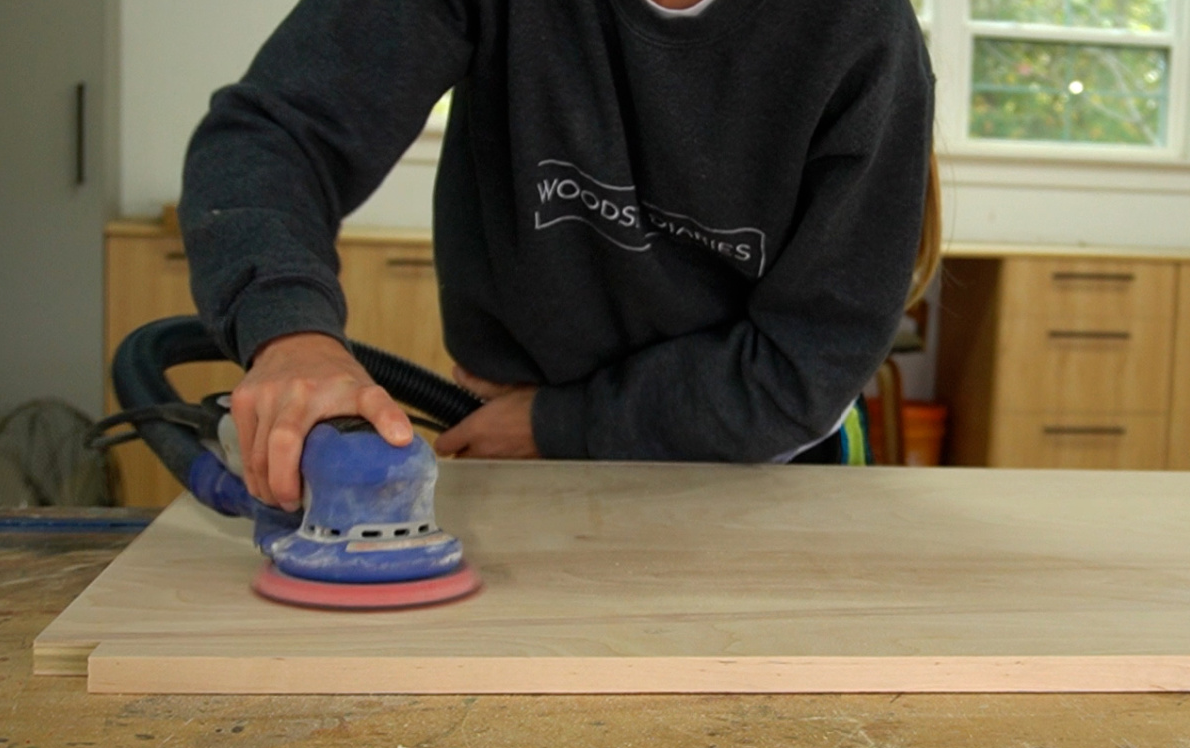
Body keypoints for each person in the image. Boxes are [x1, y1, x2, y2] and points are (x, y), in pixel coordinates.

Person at [179, 0, 939, 512]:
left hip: (752, 470)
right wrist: (291, 334)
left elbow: (805, 364)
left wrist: (558, 424)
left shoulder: (861, 30)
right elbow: (278, 134)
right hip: (517, 461)